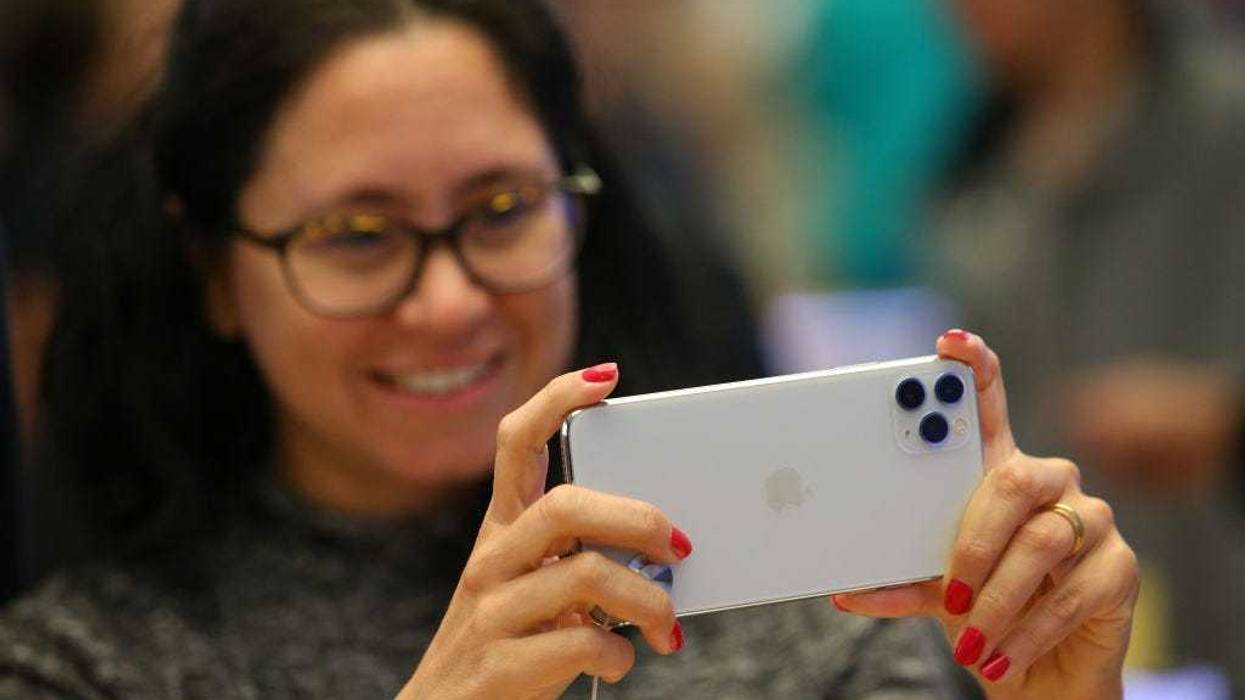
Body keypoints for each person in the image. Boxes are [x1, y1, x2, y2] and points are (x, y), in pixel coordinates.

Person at [0, 0, 1138, 697]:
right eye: (356, 235)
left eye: (502, 209)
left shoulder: (810, 624)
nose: (448, 302)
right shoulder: (86, 669)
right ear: (215, 274)